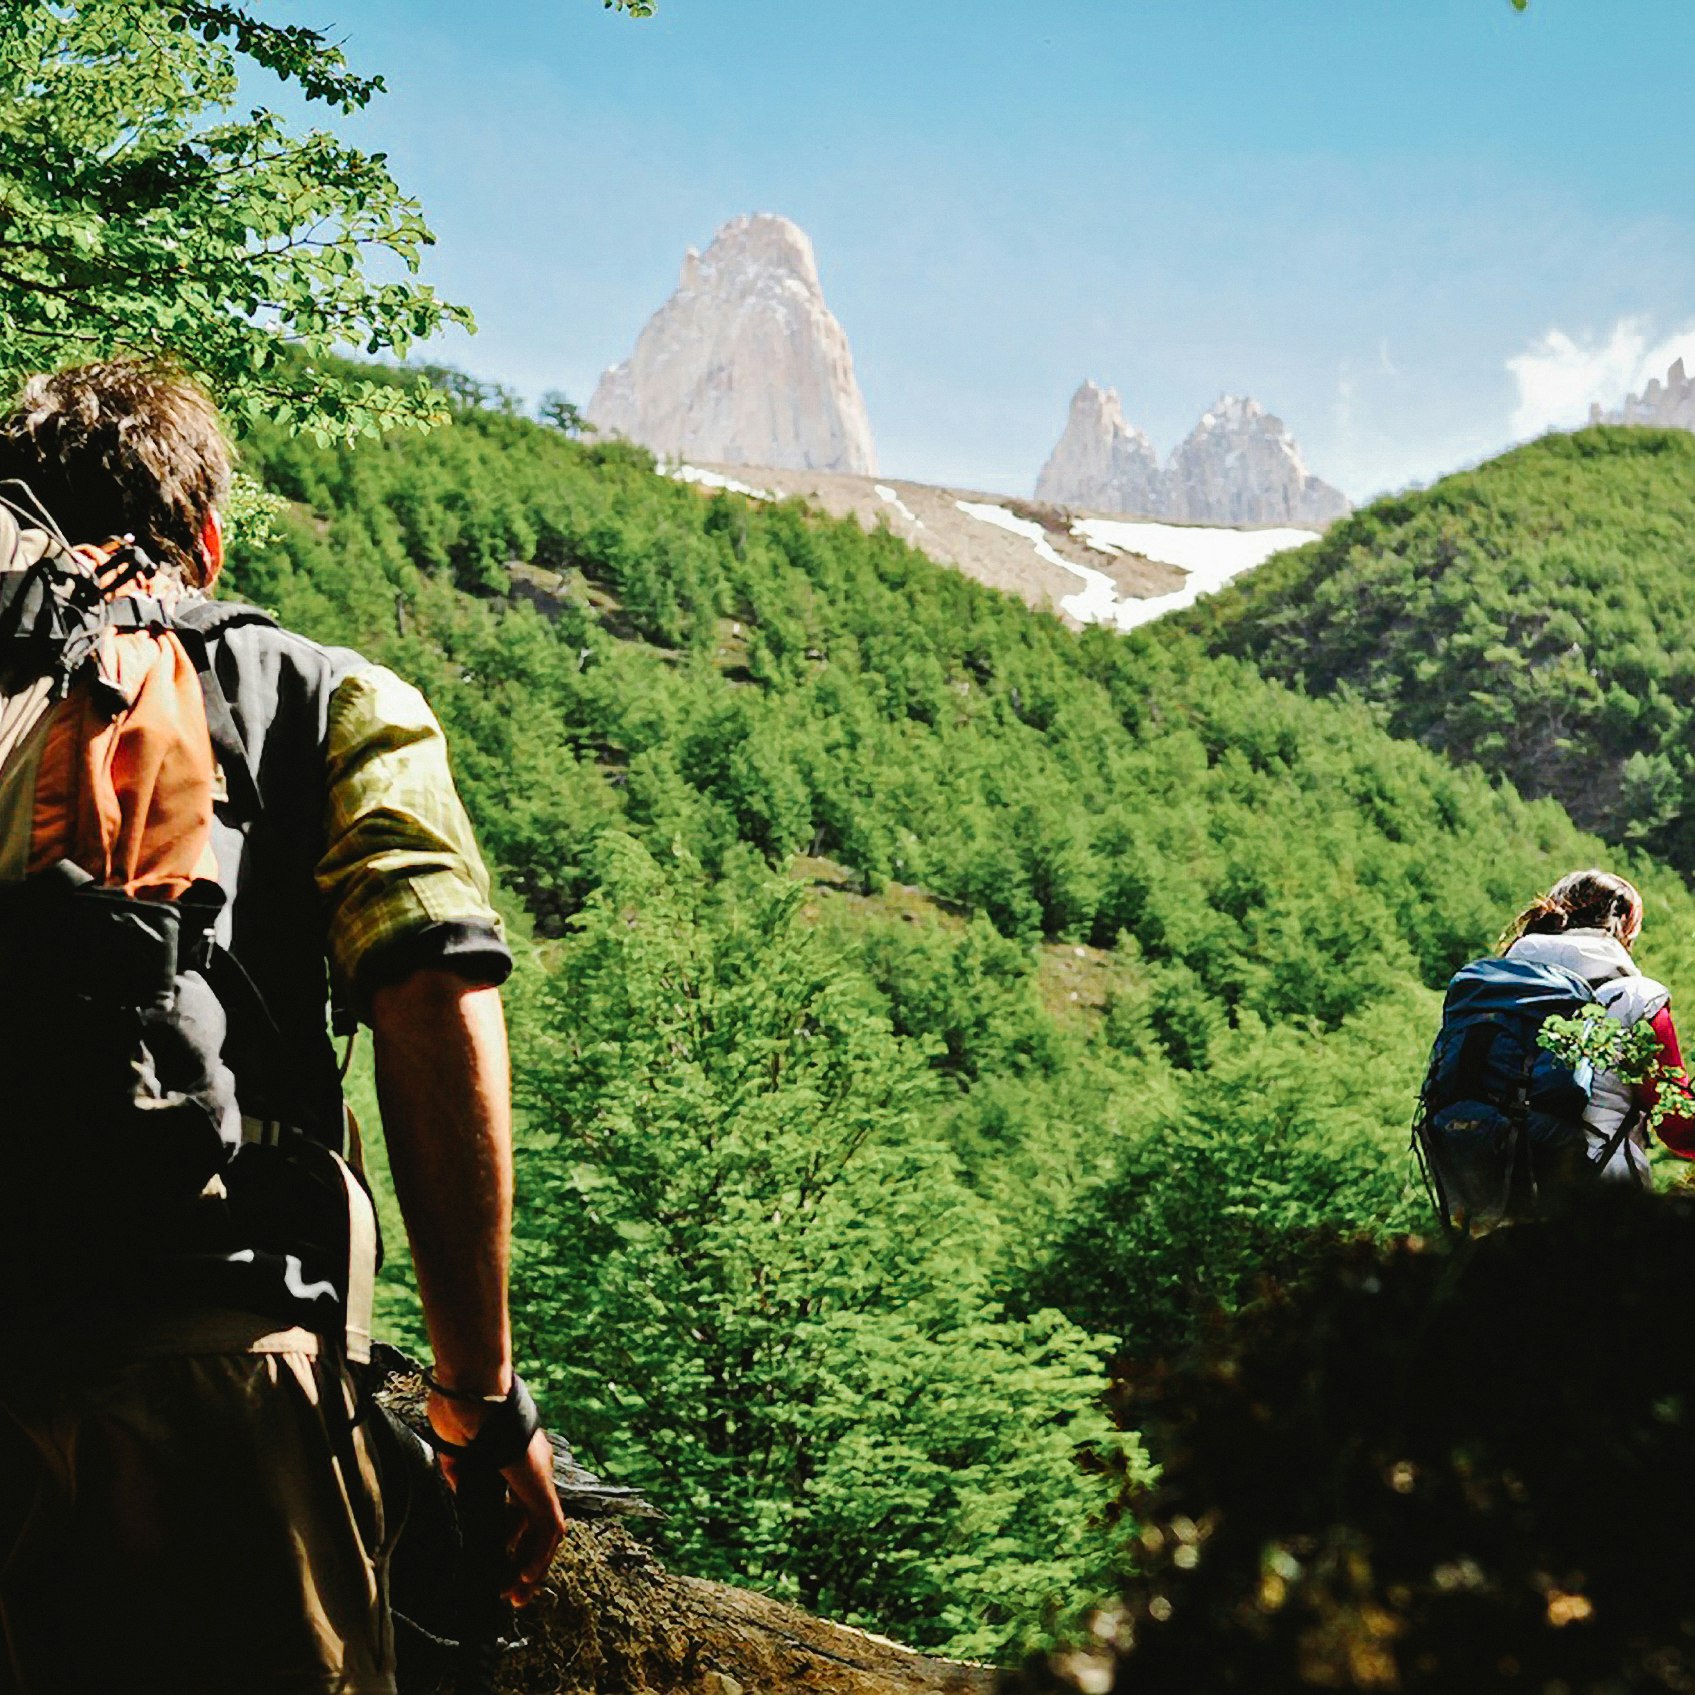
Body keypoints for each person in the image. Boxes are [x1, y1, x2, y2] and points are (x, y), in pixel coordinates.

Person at [0, 362, 564, 1693]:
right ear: (205, 536)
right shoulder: (321, 692)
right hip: (222, 1383)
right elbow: (434, 985)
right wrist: (477, 1395)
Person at [1499, 867, 1695, 1180]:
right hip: (1601, 1194)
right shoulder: (1635, 999)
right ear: (1627, 926)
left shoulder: (1499, 990)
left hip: (1495, 1189)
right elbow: (1680, 1126)